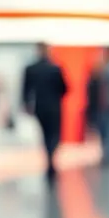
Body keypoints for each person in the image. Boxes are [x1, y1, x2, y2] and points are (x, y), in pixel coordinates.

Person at [22, 43, 68, 182]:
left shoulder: (31, 69)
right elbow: (65, 89)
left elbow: (25, 90)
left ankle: (49, 159)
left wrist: (26, 105)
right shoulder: (55, 68)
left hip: (40, 107)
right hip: (54, 107)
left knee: (45, 135)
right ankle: (51, 158)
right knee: (54, 135)